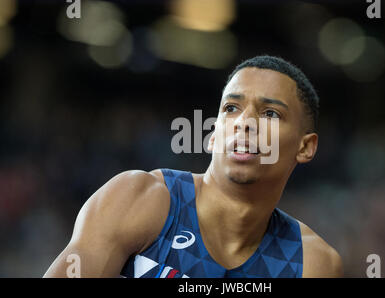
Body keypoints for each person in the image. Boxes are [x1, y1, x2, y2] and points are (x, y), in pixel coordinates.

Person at [44, 55, 343, 278]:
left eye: (270, 113)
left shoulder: (312, 264)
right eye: (231, 108)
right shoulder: (140, 199)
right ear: (213, 137)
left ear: (305, 147)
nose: (244, 122)